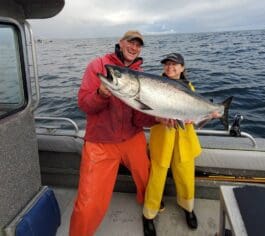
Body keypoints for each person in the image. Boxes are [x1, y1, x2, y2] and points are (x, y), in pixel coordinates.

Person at [69, 30, 158, 236]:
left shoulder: (141, 74)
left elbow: (140, 118)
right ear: (120, 42)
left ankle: (149, 211)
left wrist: (157, 118)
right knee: (89, 201)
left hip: (132, 137)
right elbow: (84, 104)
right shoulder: (98, 66)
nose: (134, 47)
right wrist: (100, 95)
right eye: (130, 42)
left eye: (138, 45)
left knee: (147, 177)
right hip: (100, 141)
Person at [142, 53, 202, 236]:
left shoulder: (189, 87)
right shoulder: (153, 85)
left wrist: (207, 115)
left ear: (183, 68)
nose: (170, 67)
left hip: (185, 140)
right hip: (162, 138)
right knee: (157, 176)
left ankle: (188, 207)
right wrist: (157, 117)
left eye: (175, 64)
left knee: (186, 175)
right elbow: (145, 111)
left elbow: (197, 110)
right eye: (167, 64)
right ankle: (148, 215)